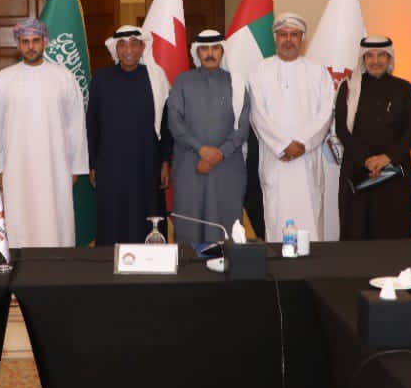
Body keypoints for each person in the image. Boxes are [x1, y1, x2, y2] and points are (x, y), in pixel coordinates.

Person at [0, 18, 89, 247]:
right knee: (19, 217)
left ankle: (57, 262)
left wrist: (76, 167)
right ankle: (20, 260)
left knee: (55, 218)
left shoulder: (64, 77)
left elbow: (76, 125)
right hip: (17, 166)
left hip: (55, 165)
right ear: (18, 45)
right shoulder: (4, 78)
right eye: (25, 42)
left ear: (45, 42)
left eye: (35, 41)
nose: (31, 47)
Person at [248, 13, 335, 236]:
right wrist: (282, 145)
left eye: (294, 34)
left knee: (310, 219)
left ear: (302, 39)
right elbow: (258, 114)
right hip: (275, 159)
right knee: (276, 219)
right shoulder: (259, 71)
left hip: (307, 159)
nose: (288, 40)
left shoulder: (318, 72)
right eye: (283, 34)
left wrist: (303, 144)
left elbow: (325, 114)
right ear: (275, 38)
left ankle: (309, 260)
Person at [87, 26, 173, 244]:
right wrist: (93, 164)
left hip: (147, 163)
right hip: (111, 164)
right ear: (115, 49)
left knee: (147, 215)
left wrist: (165, 161)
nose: (129, 50)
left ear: (143, 47)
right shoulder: (101, 79)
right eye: (123, 45)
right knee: (112, 216)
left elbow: (166, 124)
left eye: (134, 44)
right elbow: (92, 124)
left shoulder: (156, 78)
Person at [168, 29, 252, 244]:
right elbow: (174, 122)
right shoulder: (182, 81)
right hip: (190, 164)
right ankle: (190, 266)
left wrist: (220, 153)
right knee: (190, 225)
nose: (210, 53)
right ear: (197, 52)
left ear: (223, 51)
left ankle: (226, 264)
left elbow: (243, 126)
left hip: (227, 166)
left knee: (226, 225)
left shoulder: (237, 83)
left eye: (215, 48)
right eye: (204, 49)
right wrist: (201, 149)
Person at [334, 36, 411, 239]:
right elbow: (342, 129)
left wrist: (386, 158)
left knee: (393, 235)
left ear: (389, 58)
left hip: (394, 173)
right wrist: (367, 160)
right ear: (363, 59)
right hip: (358, 172)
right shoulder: (349, 88)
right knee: (357, 232)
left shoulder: (404, 88)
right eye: (370, 56)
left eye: (381, 55)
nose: (376, 61)